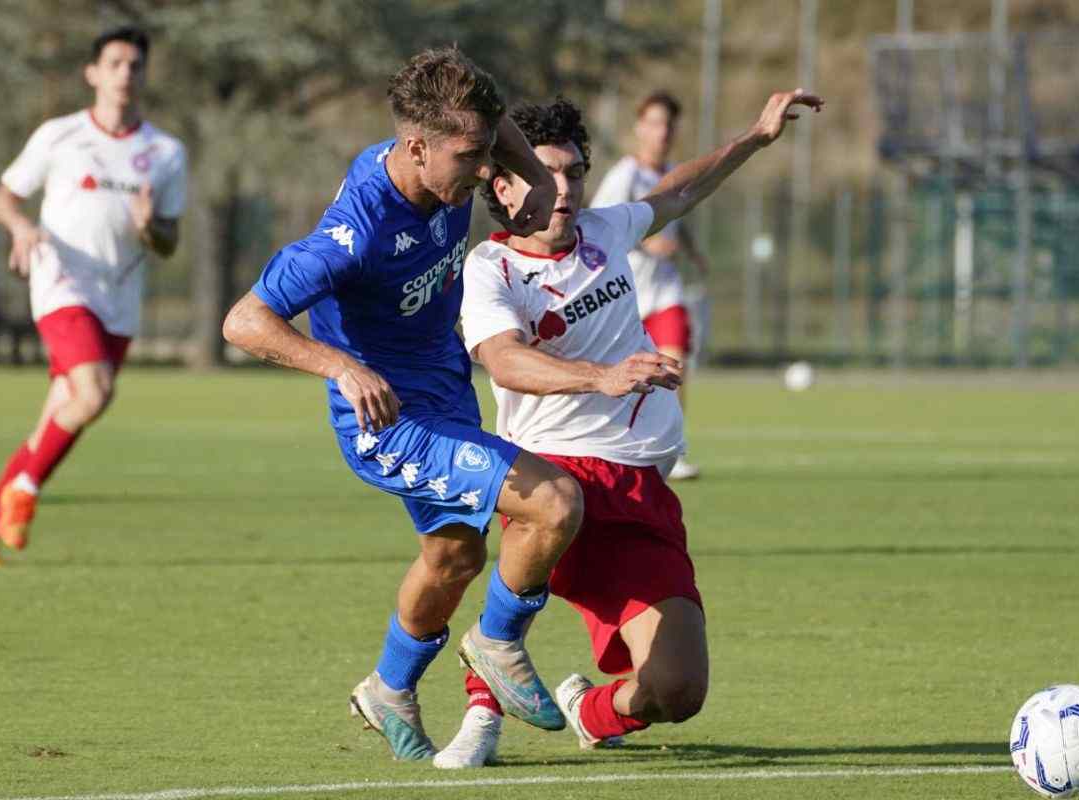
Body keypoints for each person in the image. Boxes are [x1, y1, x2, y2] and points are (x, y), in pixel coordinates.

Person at [221, 48, 594, 763]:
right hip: (389, 418)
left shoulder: (448, 161)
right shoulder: (355, 230)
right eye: (470, 157)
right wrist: (340, 366)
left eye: (489, 152)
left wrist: (536, 176)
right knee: (555, 504)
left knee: (455, 554)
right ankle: (496, 644)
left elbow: (497, 129)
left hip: (443, 386)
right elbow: (243, 321)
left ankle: (388, 688)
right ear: (416, 147)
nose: (485, 171)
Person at [433, 90, 822, 768]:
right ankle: (480, 715)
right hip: (552, 479)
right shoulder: (490, 267)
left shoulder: (605, 233)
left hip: (640, 493)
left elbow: (678, 191)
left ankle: (591, 711)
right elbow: (503, 359)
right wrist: (601, 376)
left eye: (576, 171)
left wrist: (756, 136)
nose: (565, 189)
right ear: (501, 183)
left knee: (679, 688)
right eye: (546, 173)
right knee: (517, 589)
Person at [0, 26, 187, 570]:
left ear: (144, 75)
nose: (125, 73)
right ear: (93, 73)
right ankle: (25, 489)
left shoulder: (164, 152)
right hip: (62, 281)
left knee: (64, 411)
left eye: (135, 65)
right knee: (92, 393)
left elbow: (169, 242)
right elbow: (3, 199)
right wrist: (21, 229)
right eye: (114, 63)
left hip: (121, 295)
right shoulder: (58, 136)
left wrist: (149, 225)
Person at [590, 91, 710, 481]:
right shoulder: (625, 175)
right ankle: (613, 445)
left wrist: (692, 252)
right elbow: (601, 224)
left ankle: (673, 447)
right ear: (640, 127)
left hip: (666, 291)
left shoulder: (671, 174)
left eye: (669, 124)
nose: (663, 131)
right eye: (655, 122)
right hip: (627, 297)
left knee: (674, 364)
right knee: (623, 376)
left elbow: (677, 219)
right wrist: (647, 242)